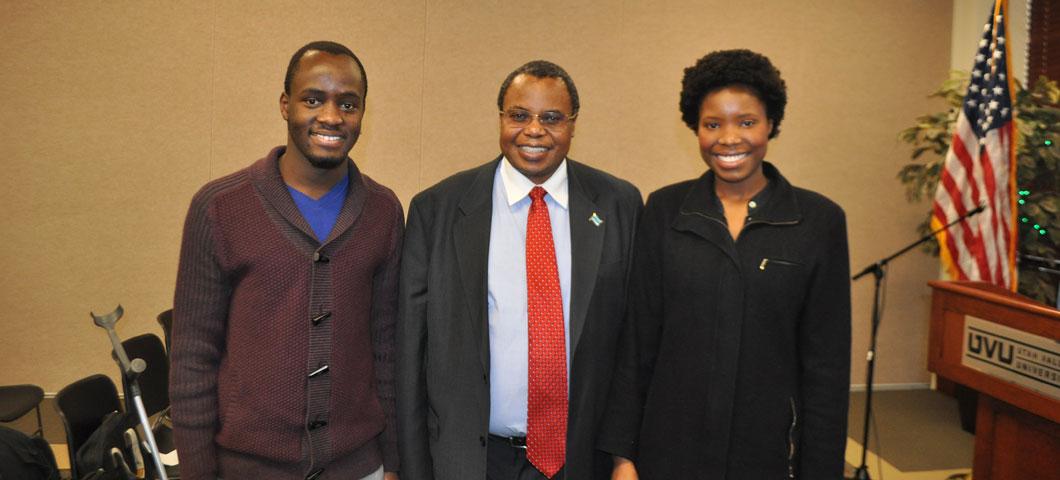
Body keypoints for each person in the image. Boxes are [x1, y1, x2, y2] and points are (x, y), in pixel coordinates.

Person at [599, 49, 852, 479]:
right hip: (669, 450)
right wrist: (623, 457)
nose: (728, 138)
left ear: (771, 123)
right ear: (695, 129)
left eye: (747, 122)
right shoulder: (665, 210)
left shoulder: (818, 221)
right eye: (712, 124)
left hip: (766, 454)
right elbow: (637, 343)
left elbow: (826, 370)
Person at [396, 60, 642, 480]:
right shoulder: (436, 209)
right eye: (519, 115)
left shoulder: (619, 205)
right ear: (501, 119)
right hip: (472, 461)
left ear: (573, 124)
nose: (534, 130)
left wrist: (624, 456)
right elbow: (410, 356)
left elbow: (633, 344)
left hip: (582, 460)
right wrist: (411, 468)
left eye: (551, 118)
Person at [170, 41, 402, 480]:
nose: (331, 117)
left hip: (358, 466)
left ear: (362, 113)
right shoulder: (220, 207)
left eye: (347, 104)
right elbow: (192, 358)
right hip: (246, 468)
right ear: (285, 105)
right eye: (313, 99)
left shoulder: (384, 212)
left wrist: (393, 461)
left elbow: (387, 348)